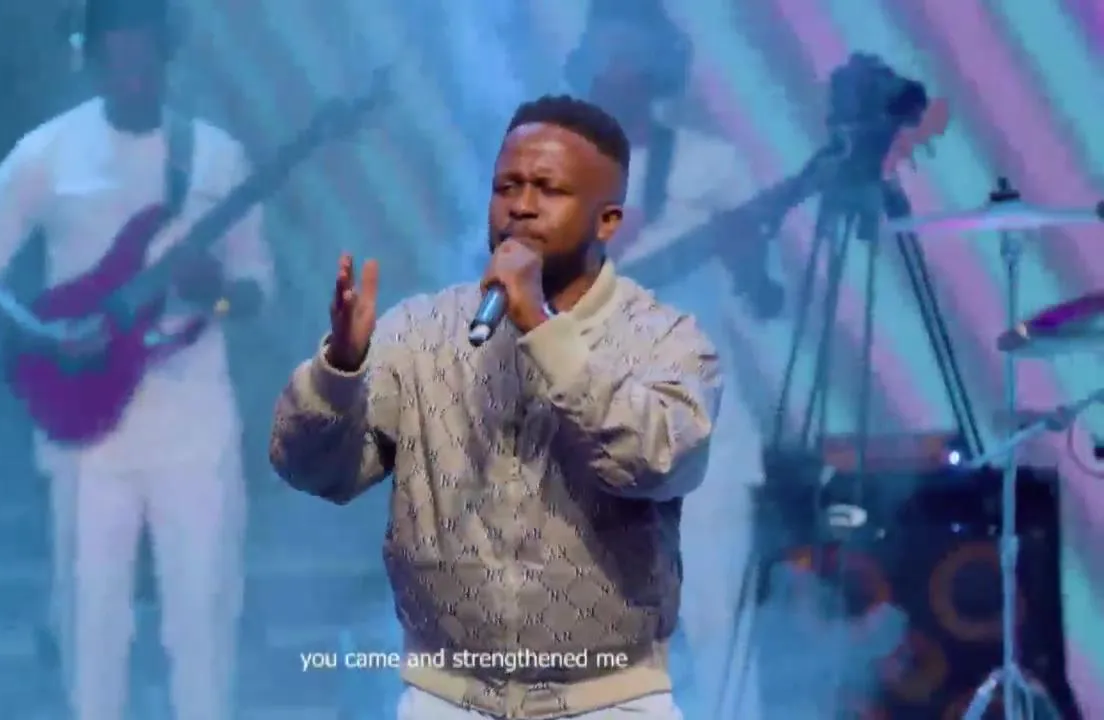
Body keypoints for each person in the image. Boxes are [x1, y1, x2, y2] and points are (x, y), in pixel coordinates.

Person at [271, 94, 719, 720]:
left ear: (607, 221)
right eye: (507, 186)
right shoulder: (422, 331)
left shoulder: (667, 341)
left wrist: (540, 325)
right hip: (445, 697)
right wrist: (339, 370)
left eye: (548, 189)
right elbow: (317, 472)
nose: (521, 206)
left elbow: (654, 461)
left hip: (609, 700)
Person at [0, 0, 274, 716]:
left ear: (168, 55)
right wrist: (40, 335)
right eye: (117, 57)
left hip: (195, 425)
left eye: (146, 55)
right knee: (90, 634)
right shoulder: (47, 152)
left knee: (202, 626)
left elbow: (253, 292)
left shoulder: (216, 157)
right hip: (85, 434)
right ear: (91, 60)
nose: (133, 73)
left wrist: (216, 294)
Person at [564, 3, 774, 718]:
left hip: (701, 424)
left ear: (660, 63)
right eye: (605, 52)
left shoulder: (713, 165)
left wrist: (746, 260)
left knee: (721, 625)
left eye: (631, 52)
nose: (617, 68)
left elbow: (767, 302)